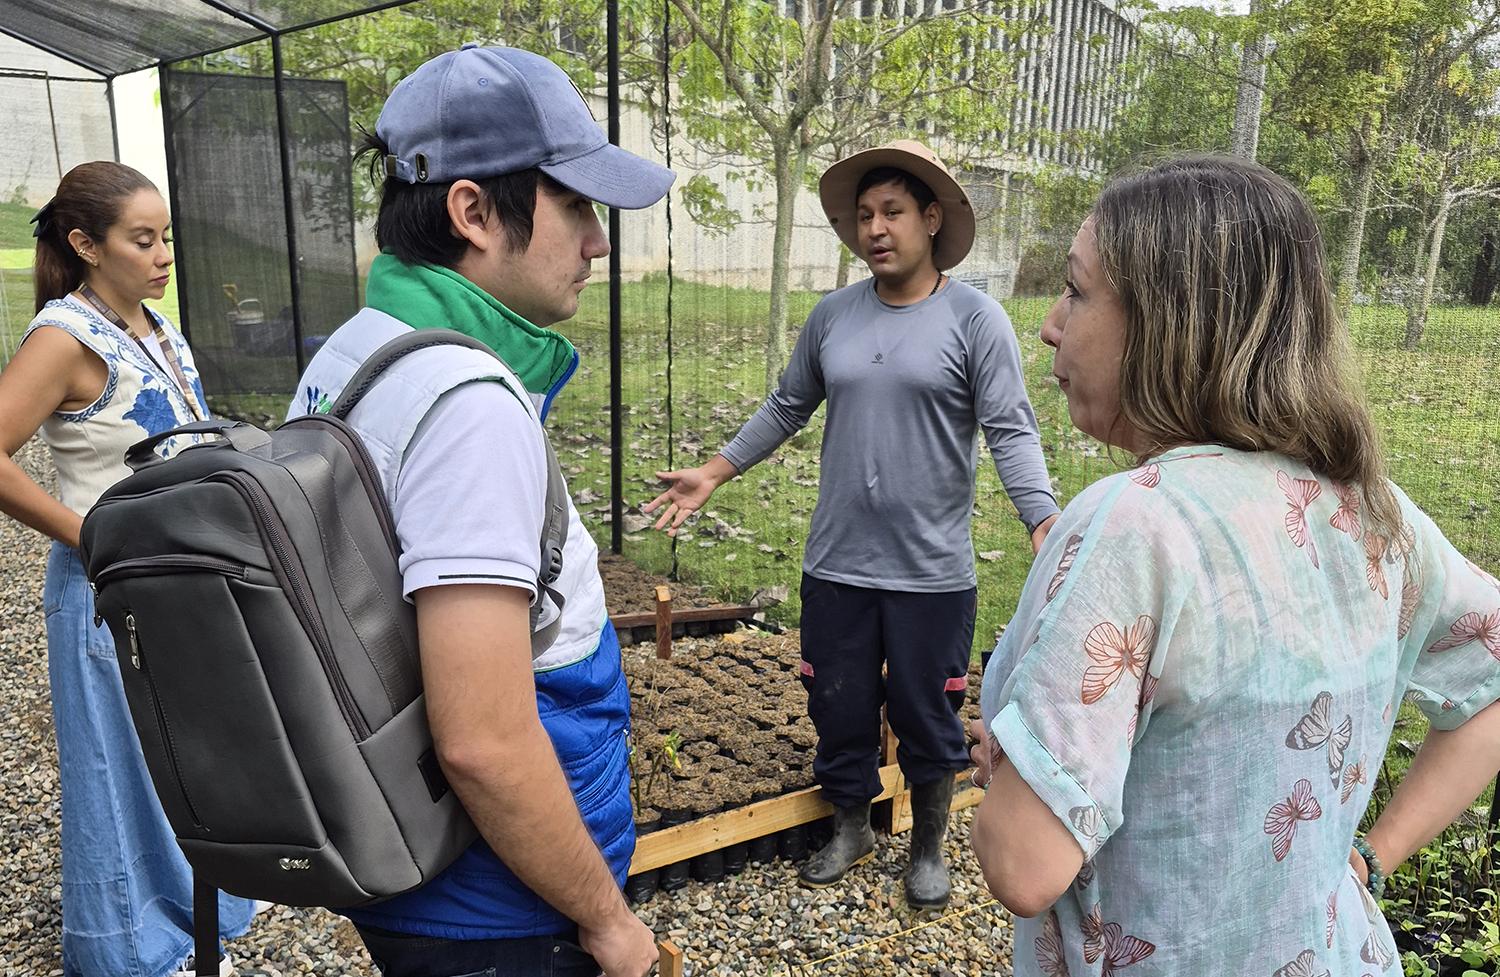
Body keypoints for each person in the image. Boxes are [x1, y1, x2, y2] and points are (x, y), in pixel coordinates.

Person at [967, 155, 1500, 976]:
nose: (1050, 323)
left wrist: (1010, 773)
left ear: (1168, 318)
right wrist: (1370, 856)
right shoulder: (1377, 513)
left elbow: (1022, 863)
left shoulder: (1135, 522)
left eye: (1076, 290)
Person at [284, 44, 673, 977]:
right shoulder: (467, 407)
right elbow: (485, 740)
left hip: (408, 863)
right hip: (500, 909)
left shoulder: (357, 350)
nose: (598, 240)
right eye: (575, 203)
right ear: (471, 210)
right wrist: (610, 921)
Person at [646, 140, 1061, 908]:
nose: (875, 228)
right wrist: (715, 470)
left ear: (932, 219)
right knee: (834, 702)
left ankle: (930, 843)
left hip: (930, 574)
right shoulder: (834, 315)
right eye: (864, 215)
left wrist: (1042, 519)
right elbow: (786, 406)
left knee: (927, 708)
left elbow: (1010, 428)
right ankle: (851, 825)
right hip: (836, 564)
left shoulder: (976, 320)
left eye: (893, 212)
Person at [0, 162, 253, 977]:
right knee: (116, 762)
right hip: (109, 590)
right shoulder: (62, 337)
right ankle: (126, 949)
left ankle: (194, 917)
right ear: (85, 244)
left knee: (184, 753)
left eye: (166, 238)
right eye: (142, 240)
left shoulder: (155, 325)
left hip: (183, 580)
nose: (163, 255)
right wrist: (89, 535)